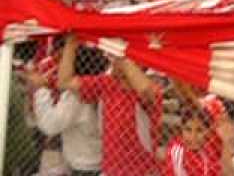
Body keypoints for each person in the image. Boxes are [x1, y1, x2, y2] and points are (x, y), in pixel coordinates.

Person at [58, 35, 163, 176]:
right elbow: (64, 82)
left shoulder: (150, 88)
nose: (112, 63)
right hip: (111, 170)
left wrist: (122, 56)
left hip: (142, 171)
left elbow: (145, 90)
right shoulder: (107, 83)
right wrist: (70, 45)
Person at [24, 44, 108, 176]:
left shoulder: (77, 98)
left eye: (64, 61)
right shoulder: (97, 85)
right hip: (89, 161)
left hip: (86, 167)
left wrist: (41, 89)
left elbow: (49, 125)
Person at [165, 108, 234, 175]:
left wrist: (225, 142)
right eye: (188, 129)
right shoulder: (177, 150)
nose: (193, 137)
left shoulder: (211, 145)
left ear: (208, 131)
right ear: (181, 130)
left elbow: (231, 173)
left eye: (199, 130)